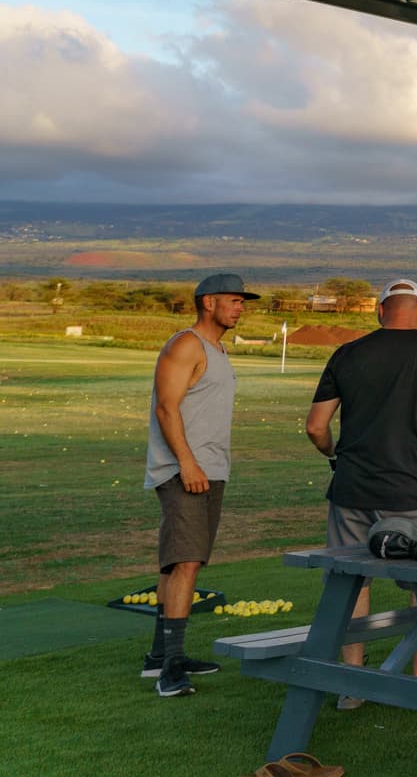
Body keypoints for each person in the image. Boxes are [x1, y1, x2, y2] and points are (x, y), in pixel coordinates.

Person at [305, 278, 417, 691]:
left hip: (352, 490)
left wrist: (333, 455)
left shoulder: (347, 354)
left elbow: (315, 426)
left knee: (351, 581)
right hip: (412, 491)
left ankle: (353, 684)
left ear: (379, 311)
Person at [142, 272, 253, 697]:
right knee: (186, 561)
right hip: (184, 470)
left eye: (242, 301)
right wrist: (186, 463)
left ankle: (159, 656)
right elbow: (166, 408)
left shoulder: (218, 349)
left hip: (208, 468)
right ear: (208, 302)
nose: (240, 306)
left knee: (179, 561)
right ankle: (172, 668)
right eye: (234, 299)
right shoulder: (186, 343)